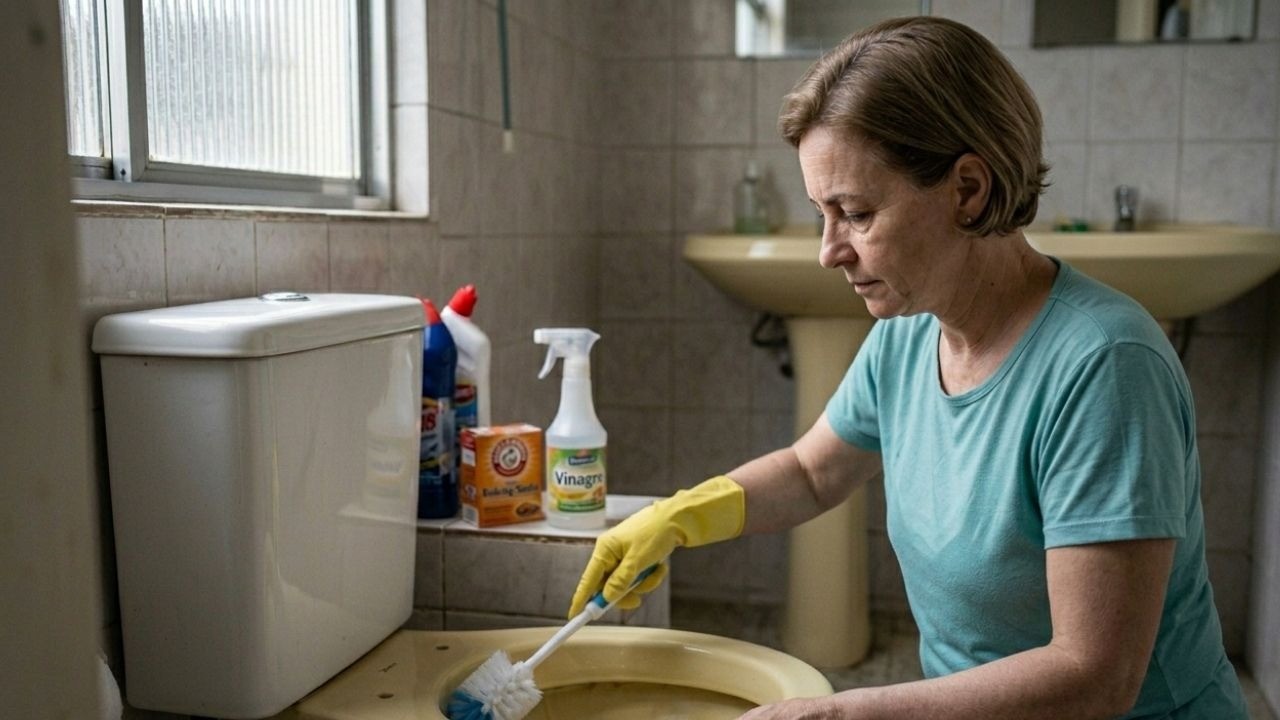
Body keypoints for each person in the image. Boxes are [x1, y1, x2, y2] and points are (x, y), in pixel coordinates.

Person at [568, 15, 1247, 720]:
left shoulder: (1106, 367)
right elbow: (811, 473)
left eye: (855, 213)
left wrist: (844, 712)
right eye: (820, 214)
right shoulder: (911, 330)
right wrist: (676, 518)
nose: (829, 250)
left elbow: (1094, 676)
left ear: (968, 190)